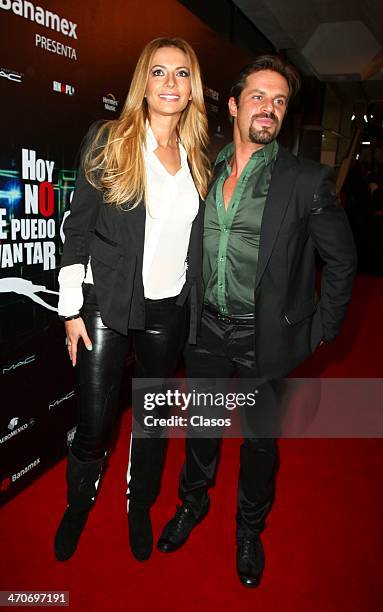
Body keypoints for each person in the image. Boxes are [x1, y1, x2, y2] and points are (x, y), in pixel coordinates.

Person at [157, 55, 357, 587]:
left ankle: (249, 529)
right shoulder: (202, 170)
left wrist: (320, 330)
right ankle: (193, 503)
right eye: (258, 97)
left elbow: (341, 261)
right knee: (200, 425)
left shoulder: (306, 181)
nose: (268, 108)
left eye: (279, 101)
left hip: (265, 337)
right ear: (233, 104)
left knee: (259, 442)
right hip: (205, 331)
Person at [54, 37, 209, 563]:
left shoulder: (196, 157)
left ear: (193, 88)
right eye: (159, 72)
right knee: (95, 423)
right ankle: (78, 503)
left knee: (154, 420)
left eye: (181, 74)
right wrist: (71, 309)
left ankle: (138, 503)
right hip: (107, 302)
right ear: (143, 82)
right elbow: (76, 231)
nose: (170, 83)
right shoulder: (109, 140)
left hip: (169, 308)